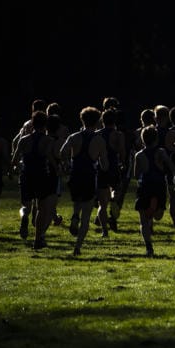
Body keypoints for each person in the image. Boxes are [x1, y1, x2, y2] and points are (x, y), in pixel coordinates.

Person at [61, 106, 109, 256]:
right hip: (89, 176)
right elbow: (105, 165)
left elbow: (62, 152)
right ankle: (77, 247)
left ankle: (75, 216)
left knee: (77, 201)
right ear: (97, 122)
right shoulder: (99, 140)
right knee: (87, 214)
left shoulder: (74, 137)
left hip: (75, 175)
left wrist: (67, 164)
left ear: (82, 119)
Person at [13, 110, 62, 249]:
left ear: (32, 124)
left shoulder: (23, 140)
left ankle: (24, 216)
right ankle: (37, 239)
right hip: (41, 176)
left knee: (26, 206)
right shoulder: (48, 140)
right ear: (45, 125)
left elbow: (14, 160)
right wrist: (57, 168)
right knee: (41, 208)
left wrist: (18, 167)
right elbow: (49, 156)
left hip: (26, 176)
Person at [132, 124, 175, 257]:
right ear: (156, 139)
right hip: (159, 186)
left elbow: (135, 174)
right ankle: (154, 207)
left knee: (143, 221)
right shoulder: (161, 152)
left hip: (145, 185)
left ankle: (148, 247)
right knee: (158, 216)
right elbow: (170, 165)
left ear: (142, 140)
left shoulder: (139, 155)